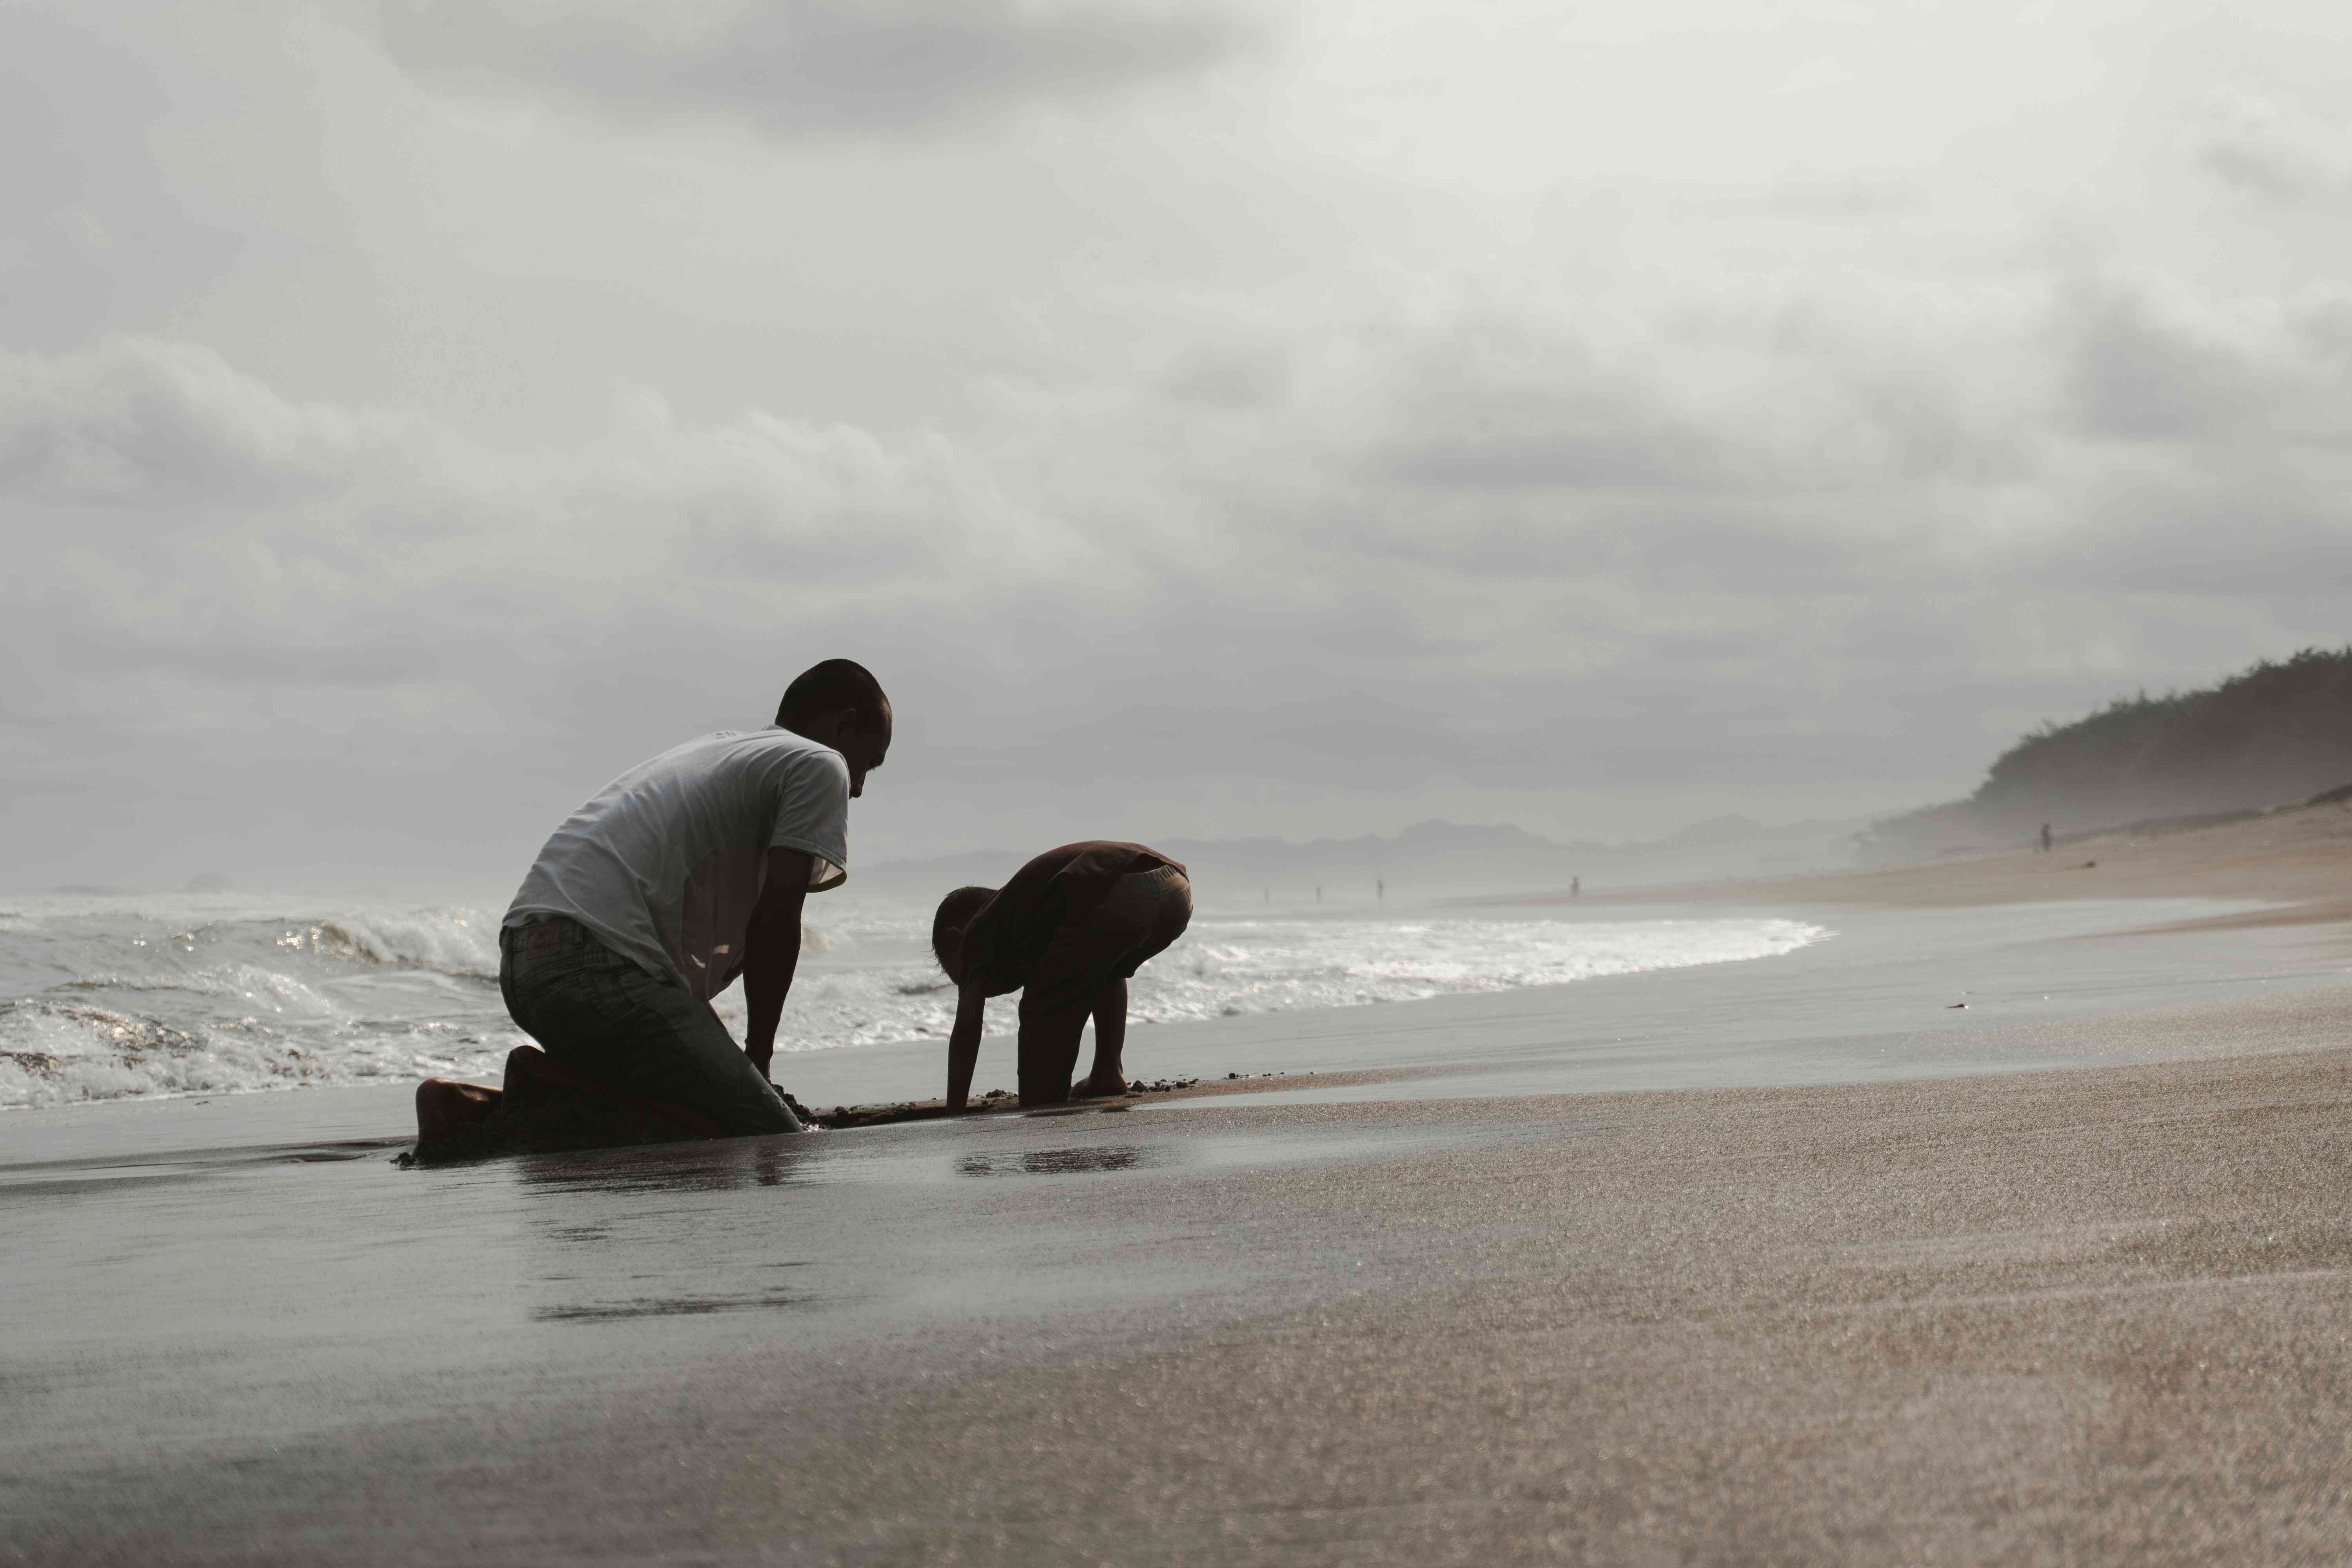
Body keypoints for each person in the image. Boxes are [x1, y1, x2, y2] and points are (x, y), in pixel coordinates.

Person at [494, 659, 890, 1136]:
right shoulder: (820, 763)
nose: (861, 786)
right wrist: (758, 1065)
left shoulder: (720, 749)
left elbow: (666, 965)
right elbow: (776, 918)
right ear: (843, 723)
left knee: (683, 1105)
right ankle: (505, 1118)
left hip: (524, 964)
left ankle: (524, 1093)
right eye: (869, 761)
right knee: (766, 1132)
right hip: (597, 970)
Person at [931, 842, 1192, 1109]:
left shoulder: (976, 933)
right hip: (1175, 888)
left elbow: (967, 1029)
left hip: (1117, 890)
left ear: (957, 939)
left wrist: (955, 1110)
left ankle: (1046, 1096)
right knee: (1106, 968)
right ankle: (1108, 1071)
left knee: (1041, 1011)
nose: (972, 984)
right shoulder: (1029, 914)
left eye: (961, 977)